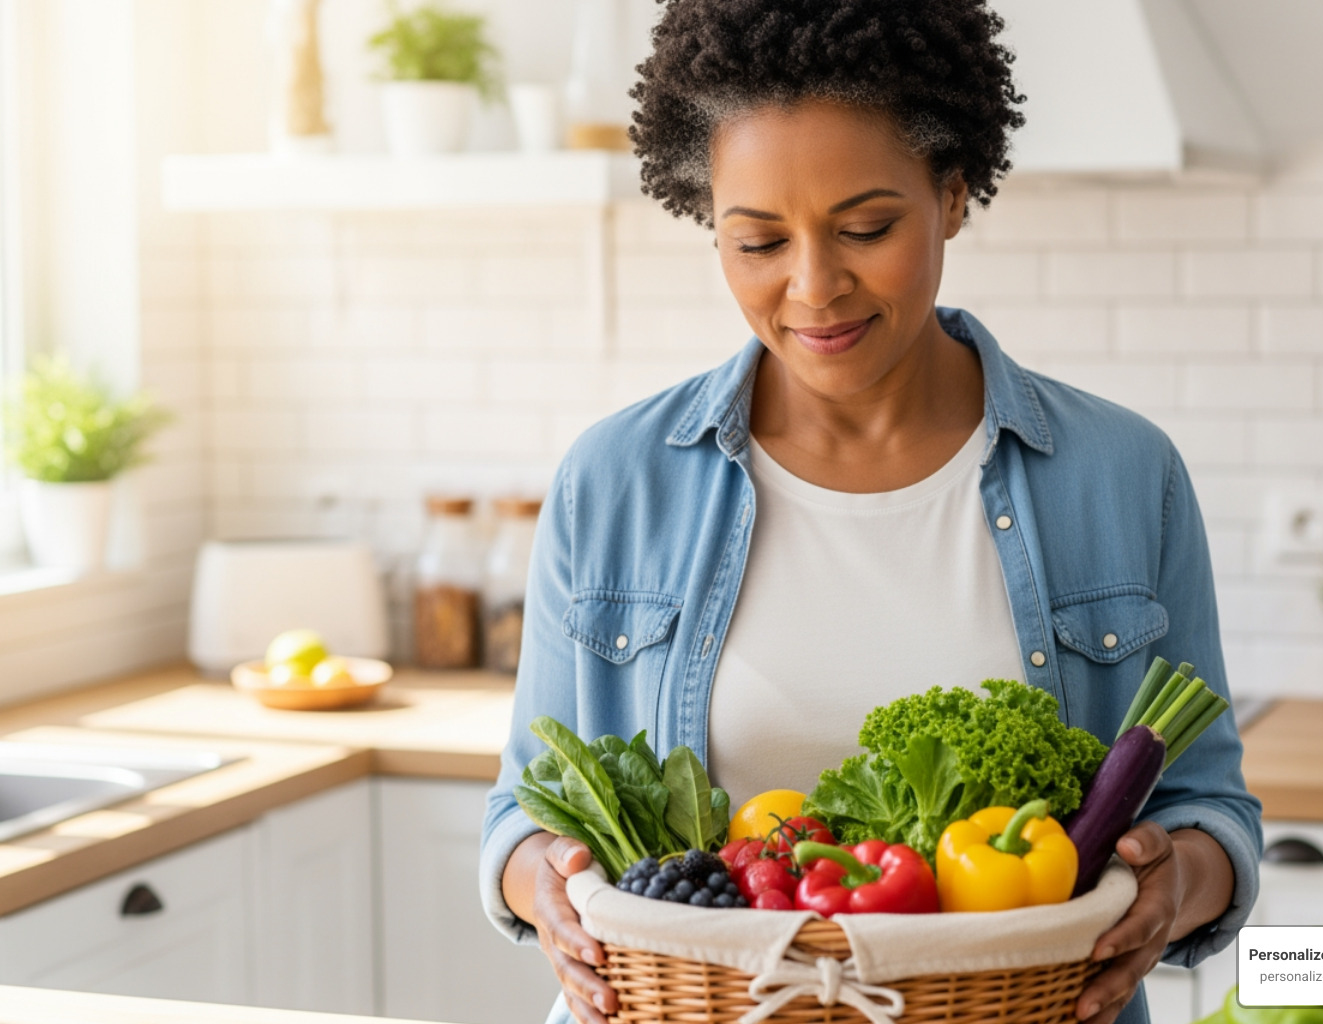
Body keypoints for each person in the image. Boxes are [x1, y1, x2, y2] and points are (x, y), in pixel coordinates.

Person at [480, 2, 1262, 1023]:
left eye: (865, 229)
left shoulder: (1118, 474)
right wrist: (544, 883)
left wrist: (1176, 884)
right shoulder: (616, 479)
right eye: (757, 240)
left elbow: (1208, 809)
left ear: (953, 192)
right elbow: (521, 813)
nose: (814, 288)